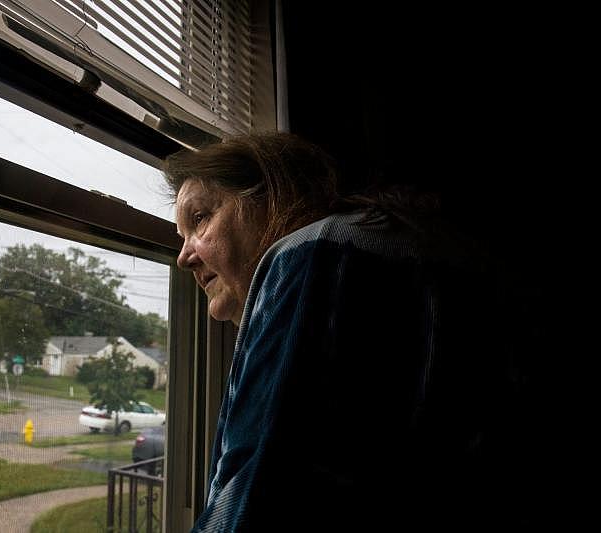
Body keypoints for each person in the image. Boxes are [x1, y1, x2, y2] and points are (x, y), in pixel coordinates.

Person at [164, 132, 527, 531]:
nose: (184, 256)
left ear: (274, 195)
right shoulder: (432, 250)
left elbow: (261, 497)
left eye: (199, 219)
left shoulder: (316, 253)